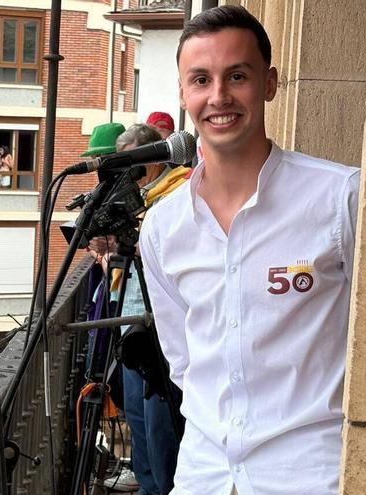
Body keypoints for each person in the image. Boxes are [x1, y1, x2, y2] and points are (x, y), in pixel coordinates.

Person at [140, 6, 359, 495]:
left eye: (236, 76)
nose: (218, 96)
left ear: (270, 83)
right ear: (183, 94)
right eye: (201, 79)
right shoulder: (162, 226)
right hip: (203, 476)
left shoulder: (340, 197)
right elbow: (184, 360)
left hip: (309, 476)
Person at [94, 124, 188, 494]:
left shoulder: (179, 192)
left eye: (135, 165)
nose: (129, 175)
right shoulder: (138, 197)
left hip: (160, 327)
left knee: (160, 425)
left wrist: (138, 245)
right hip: (130, 322)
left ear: (154, 159)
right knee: (138, 422)